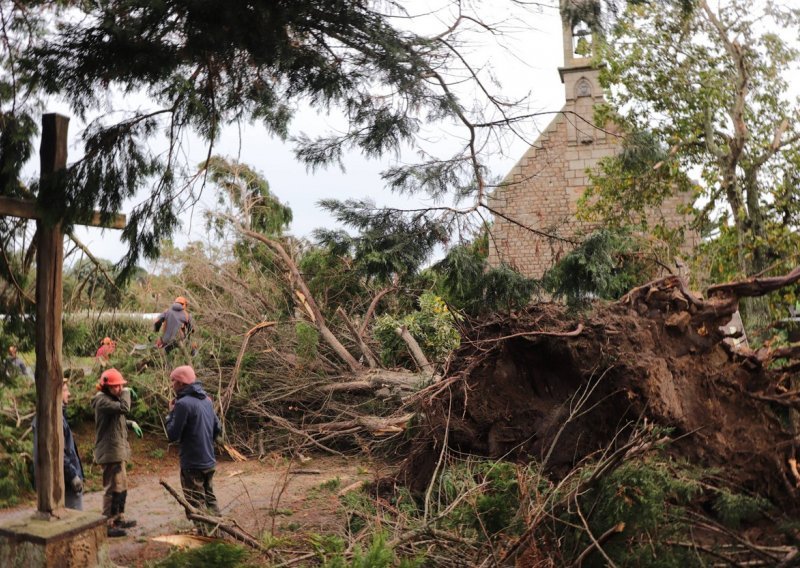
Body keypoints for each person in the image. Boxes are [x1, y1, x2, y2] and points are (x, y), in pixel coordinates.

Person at [165, 365, 222, 528]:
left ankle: (206, 541)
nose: (172, 385)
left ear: (182, 383)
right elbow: (217, 428)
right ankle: (220, 533)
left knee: (197, 506)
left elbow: (172, 435)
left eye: (173, 381)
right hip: (209, 461)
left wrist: (171, 413)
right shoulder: (207, 400)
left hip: (192, 464)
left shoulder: (182, 404)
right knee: (211, 501)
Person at [91, 368, 143, 537]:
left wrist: (129, 424)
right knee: (111, 488)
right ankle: (107, 523)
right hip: (109, 451)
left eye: (121, 386)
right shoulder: (102, 401)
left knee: (121, 486)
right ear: (106, 387)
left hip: (117, 450)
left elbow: (117, 418)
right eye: (116, 387)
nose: (120, 389)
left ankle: (119, 517)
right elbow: (124, 408)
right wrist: (126, 393)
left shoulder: (110, 399)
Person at [32, 379, 85, 510]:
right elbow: (57, 451)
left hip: (61, 482)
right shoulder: (52, 419)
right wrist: (73, 475)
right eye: (65, 390)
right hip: (63, 483)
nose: (69, 394)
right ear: (57, 393)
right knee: (74, 520)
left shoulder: (53, 416)